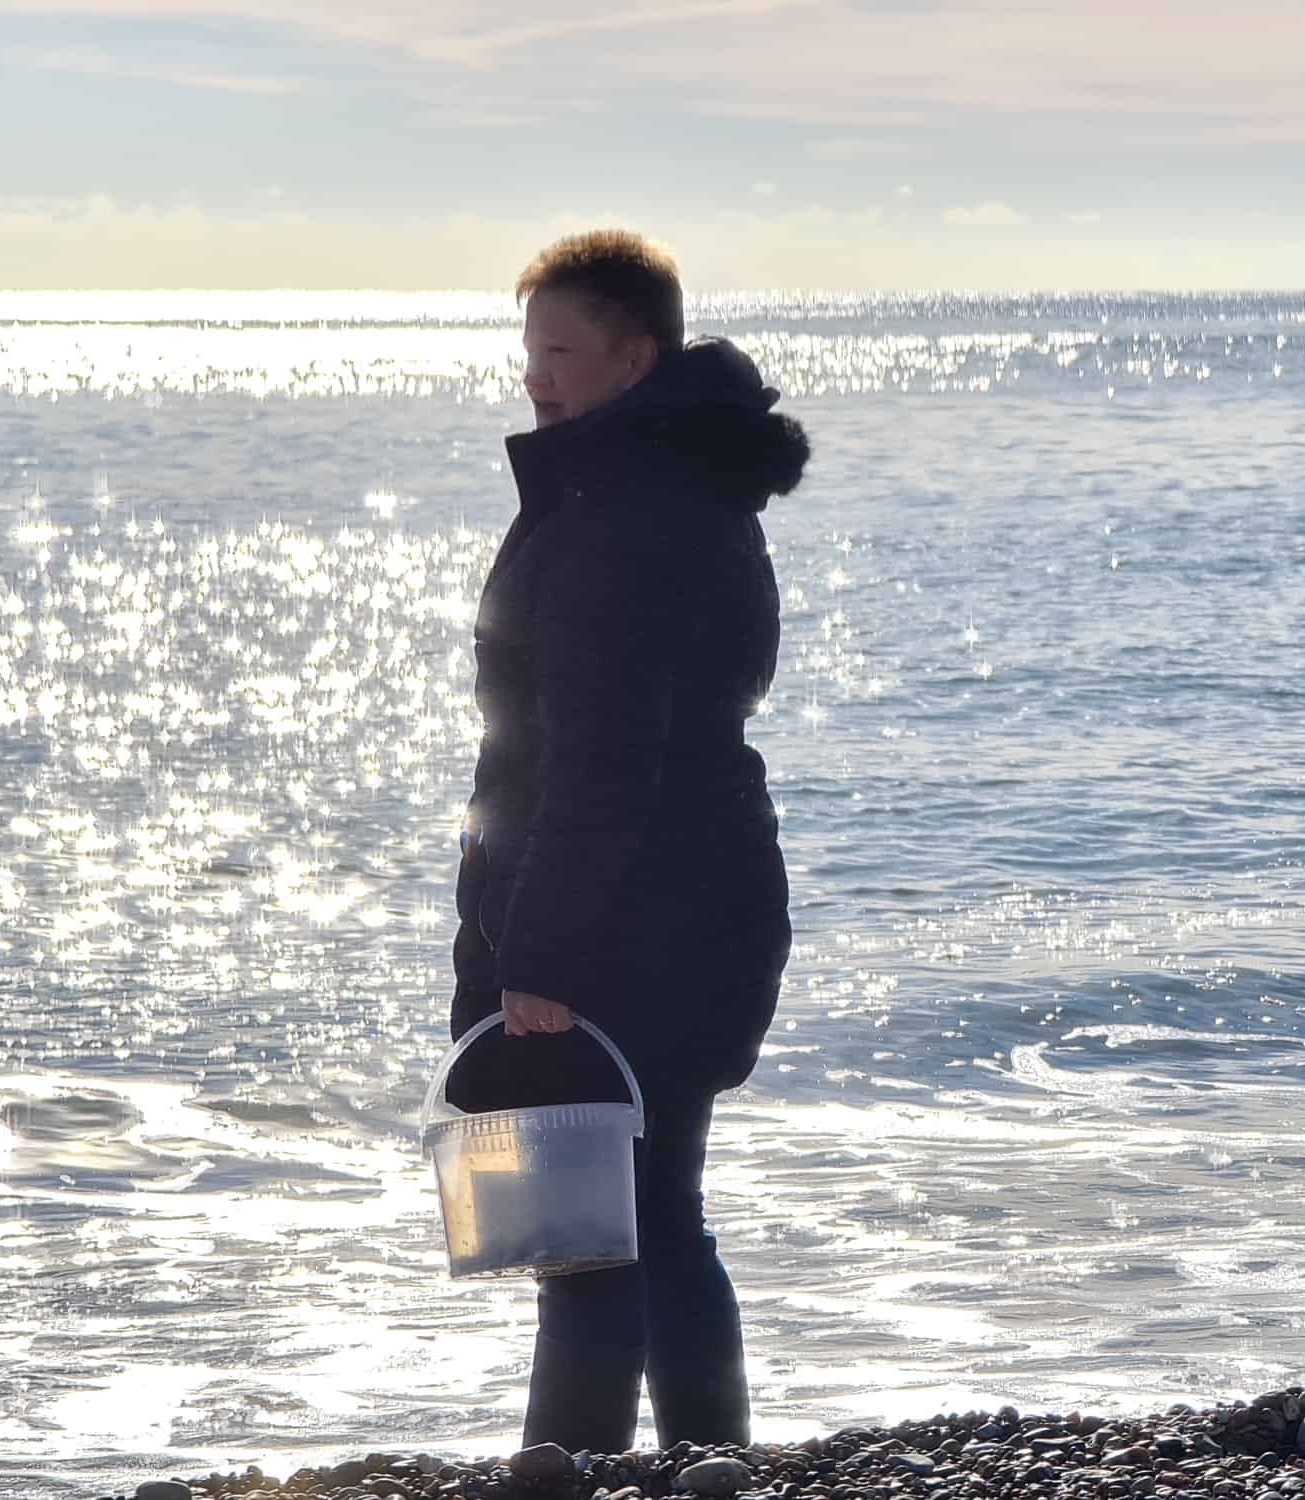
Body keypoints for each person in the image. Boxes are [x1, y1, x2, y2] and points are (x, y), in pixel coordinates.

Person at [446, 229, 804, 1453]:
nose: (535, 377)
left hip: (632, 923)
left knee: (588, 1237)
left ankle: (573, 1480)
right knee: (659, 1217)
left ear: (633, 354)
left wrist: (538, 952)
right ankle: (711, 1468)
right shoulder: (675, 486)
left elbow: (598, 764)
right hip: (697, 900)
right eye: (526, 351)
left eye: (560, 351)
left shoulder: (622, 516)